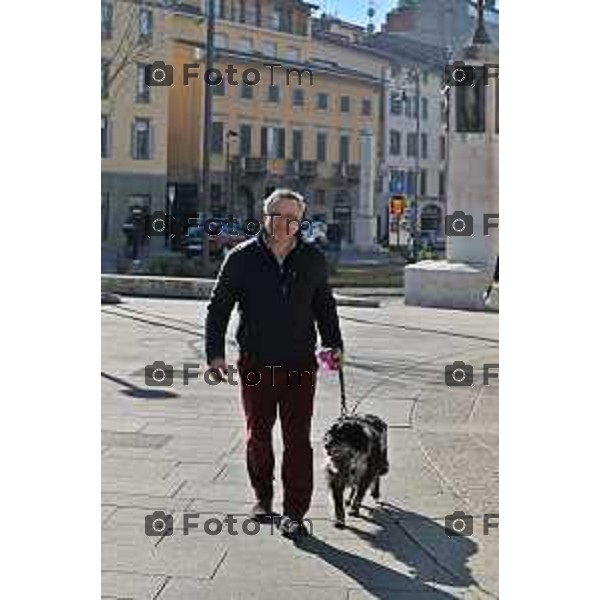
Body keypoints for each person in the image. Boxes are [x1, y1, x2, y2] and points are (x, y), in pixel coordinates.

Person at [204, 189, 344, 539]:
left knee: (298, 439)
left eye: (293, 218)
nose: (285, 224)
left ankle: (295, 511)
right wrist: (215, 355)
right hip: (255, 361)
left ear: (300, 220)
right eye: (278, 216)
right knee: (258, 436)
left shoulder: (311, 259)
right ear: (264, 217)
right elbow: (218, 308)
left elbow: (324, 306)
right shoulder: (241, 258)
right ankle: (263, 498)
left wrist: (334, 344)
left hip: (299, 364)